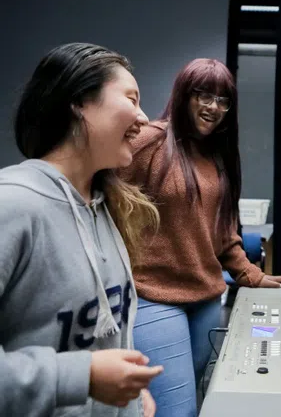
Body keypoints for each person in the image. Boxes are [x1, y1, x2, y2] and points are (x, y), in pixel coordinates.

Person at [118, 58, 281, 417]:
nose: (215, 107)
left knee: (196, 402)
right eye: (204, 95)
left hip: (207, 300)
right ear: (184, 95)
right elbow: (102, 196)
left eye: (224, 100)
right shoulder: (150, 140)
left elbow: (224, 233)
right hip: (154, 297)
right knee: (175, 411)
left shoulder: (216, 156)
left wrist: (252, 276)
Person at [0, 42, 163, 417]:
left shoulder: (104, 208)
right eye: (131, 98)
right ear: (79, 101)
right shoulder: (13, 204)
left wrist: (133, 399)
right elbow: (84, 368)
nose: (143, 116)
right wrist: (80, 377)